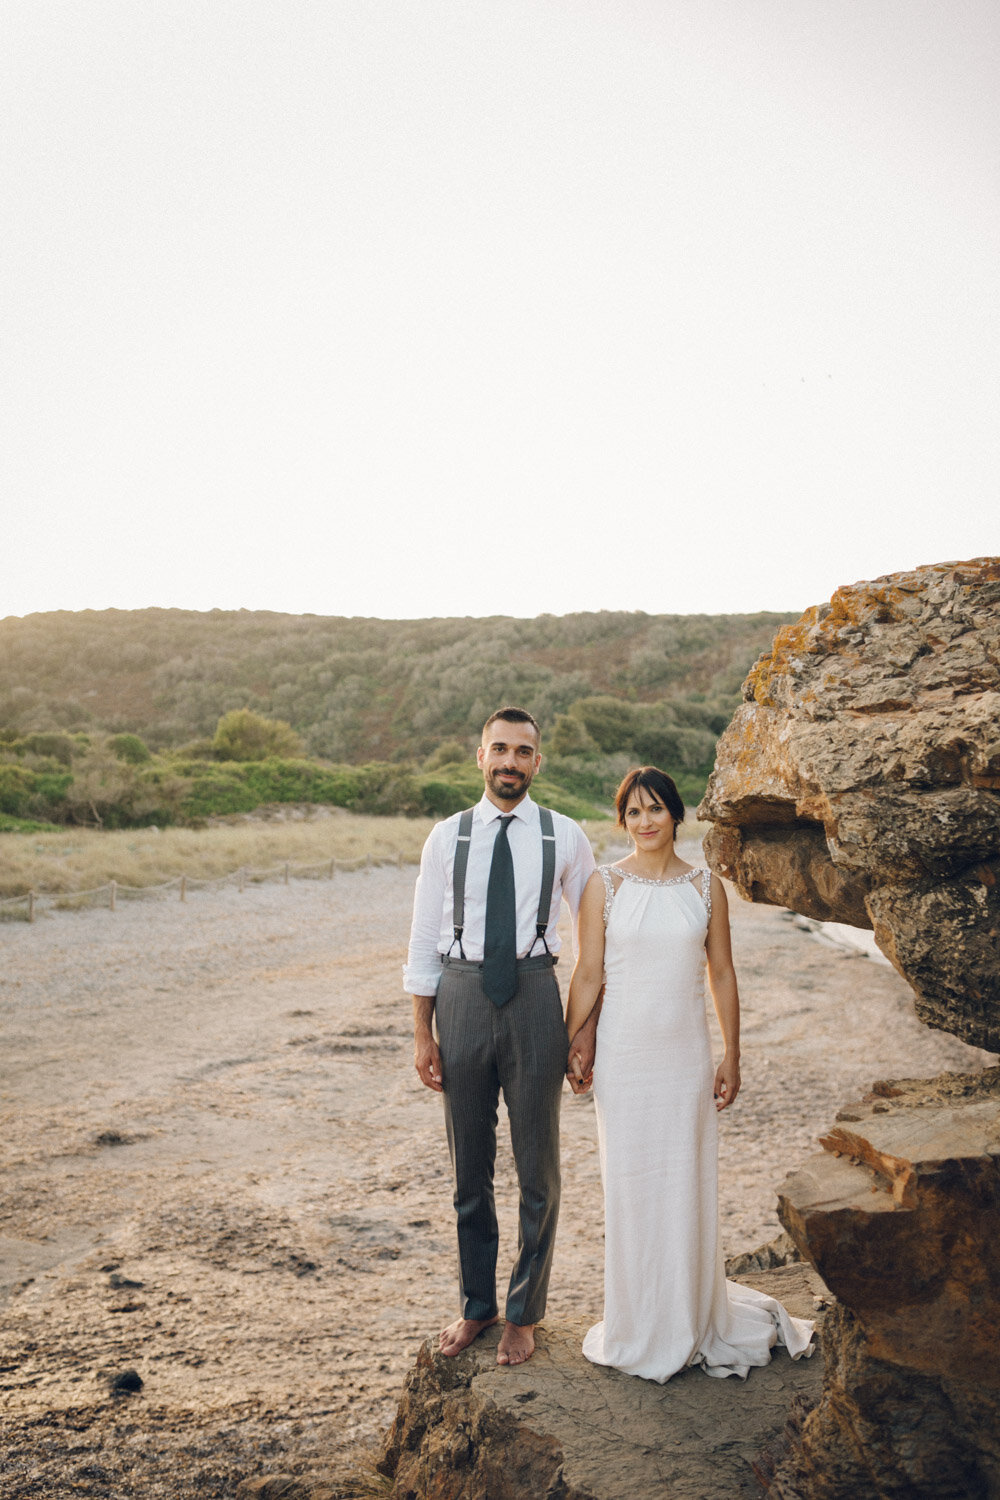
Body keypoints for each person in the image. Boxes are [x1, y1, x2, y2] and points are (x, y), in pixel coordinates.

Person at [565, 765, 814, 1382]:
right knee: (629, 1185)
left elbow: (722, 973)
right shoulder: (604, 885)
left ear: (676, 814)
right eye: (633, 812)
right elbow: (589, 973)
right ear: (622, 821)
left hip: (683, 1059)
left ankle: (691, 1316)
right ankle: (639, 1320)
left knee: (684, 1181)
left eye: (655, 810)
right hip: (624, 1060)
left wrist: (733, 1053)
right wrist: (573, 1042)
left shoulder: (706, 888)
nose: (645, 822)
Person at [406, 707, 596, 1367]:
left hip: (536, 994)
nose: (510, 761)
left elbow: (593, 945)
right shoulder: (445, 837)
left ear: (537, 762)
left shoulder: (565, 837)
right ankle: (477, 1304)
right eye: (500, 749)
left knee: (538, 1165)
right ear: (479, 756)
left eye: (523, 751)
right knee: (470, 1169)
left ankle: (525, 1311)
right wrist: (422, 1034)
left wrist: (584, 1031)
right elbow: (422, 939)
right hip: (459, 995)